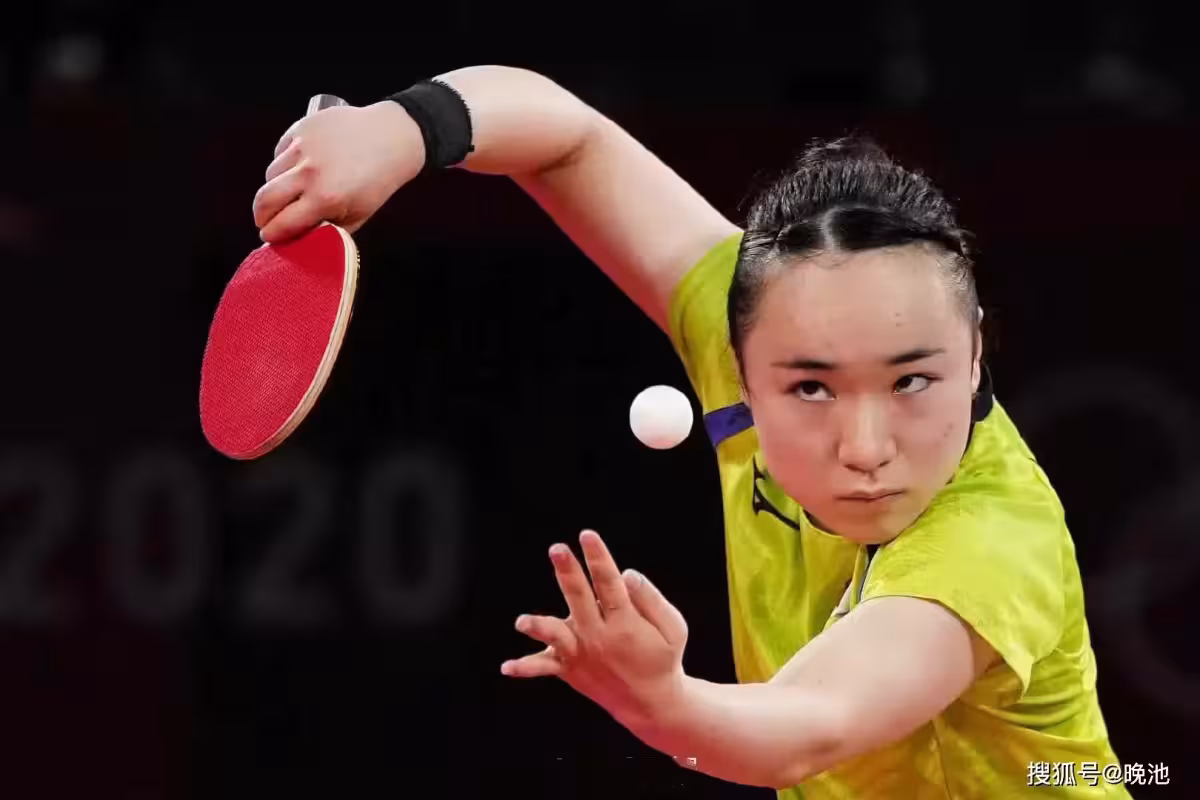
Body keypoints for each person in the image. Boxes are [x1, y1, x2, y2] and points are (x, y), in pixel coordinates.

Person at [252, 66, 1129, 798]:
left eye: (911, 381)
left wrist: (666, 702)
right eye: (812, 389)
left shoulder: (990, 539)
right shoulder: (754, 315)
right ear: (742, 367)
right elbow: (568, 140)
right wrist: (404, 129)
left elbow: (810, 725)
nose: (866, 447)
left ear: (974, 357)